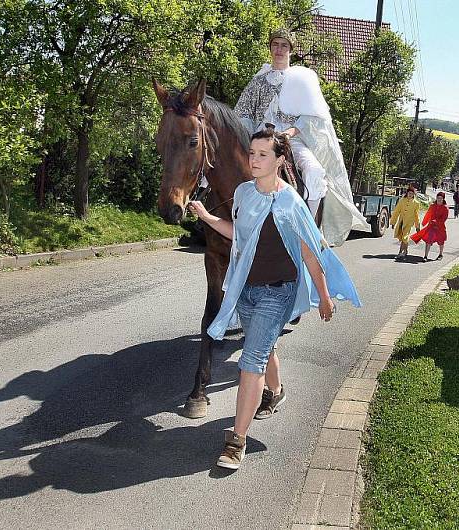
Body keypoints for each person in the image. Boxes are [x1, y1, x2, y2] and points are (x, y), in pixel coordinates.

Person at [188, 127, 361, 469]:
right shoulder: (243, 194)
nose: (254, 160)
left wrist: (324, 296)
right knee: (265, 348)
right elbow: (240, 236)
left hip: (277, 293)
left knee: (250, 362)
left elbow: (310, 252)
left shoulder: (291, 202)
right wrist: (208, 217)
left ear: (280, 161)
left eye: (262, 155)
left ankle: (236, 442)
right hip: (247, 292)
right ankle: (276, 391)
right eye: (252, 153)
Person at [234, 27, 368, 246]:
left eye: (284, 45)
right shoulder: (258, 82)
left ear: (291, 50)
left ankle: (309, 230)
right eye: (275, 44)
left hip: (291, 139)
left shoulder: (301, 80)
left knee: (315, 171)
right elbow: (244, 114)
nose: (279, 49)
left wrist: (291, 132)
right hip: (259, 139)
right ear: (270, 48)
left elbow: (312, 116)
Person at [411, 191, 449, 261]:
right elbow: (428, 214)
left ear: (443, 199)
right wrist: (424, 222)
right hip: (431, 226)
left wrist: (437, 221)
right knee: (428, 240)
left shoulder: (445, 208)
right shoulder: (432, 206)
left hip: (440, 227)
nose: (439, 199)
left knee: (441, 241)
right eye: (438, 198)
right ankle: (425, 256)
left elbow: (444, 218)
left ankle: (440, 254)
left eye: (441, 198)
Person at [389, 186, 421, 261]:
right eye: (409, 193)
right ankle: (405, 251)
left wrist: (417, 226)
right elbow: (396, 211)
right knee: (401, 237)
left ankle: (400, 252)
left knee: (405, 237)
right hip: (401, 221)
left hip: (409, 223)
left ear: (414, 194)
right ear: (407, 193)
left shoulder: (416, 203)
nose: (410, 195)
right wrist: (393, 222)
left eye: (412, 194)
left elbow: (416, 215)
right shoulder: (402, 200)